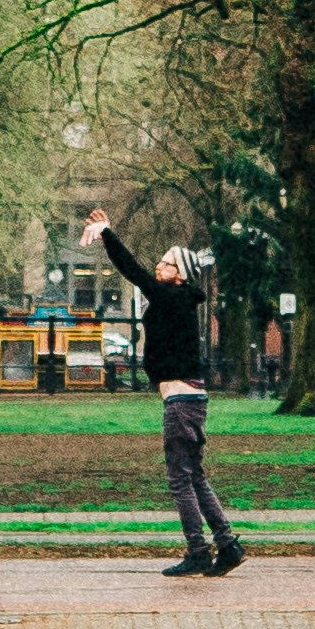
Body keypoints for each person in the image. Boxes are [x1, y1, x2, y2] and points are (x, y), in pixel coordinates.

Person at [87, 209, 242, 575]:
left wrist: (108, 233)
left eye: (167, 263)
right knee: (195, 475)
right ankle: (228, 544)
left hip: (181, 401)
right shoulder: (177, 300)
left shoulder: (171, 296)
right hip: (191, 398)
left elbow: (132, 270)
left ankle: (198, 550)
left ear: (181, 274)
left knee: (179, 478)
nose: (159, 266)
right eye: (161, 261)